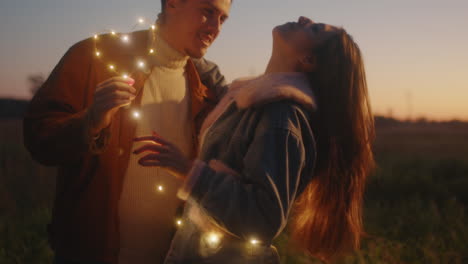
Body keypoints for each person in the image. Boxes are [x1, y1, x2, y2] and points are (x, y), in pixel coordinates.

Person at [133, 16, 375, 263]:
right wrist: (174, 39)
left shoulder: (282, 117)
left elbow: (262, 220)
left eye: (313, 29)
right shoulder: (252, 99)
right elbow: (219, 87)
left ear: (308, 60)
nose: (304, 18)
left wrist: (187, 171)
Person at [23, 0, 232, 263]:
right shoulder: (95, 56)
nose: (215, 28)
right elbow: (38, 138)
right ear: (173, 4)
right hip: (91, 253)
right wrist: (91, 120)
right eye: (207, 12)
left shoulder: (207, 89)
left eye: (223, 19)